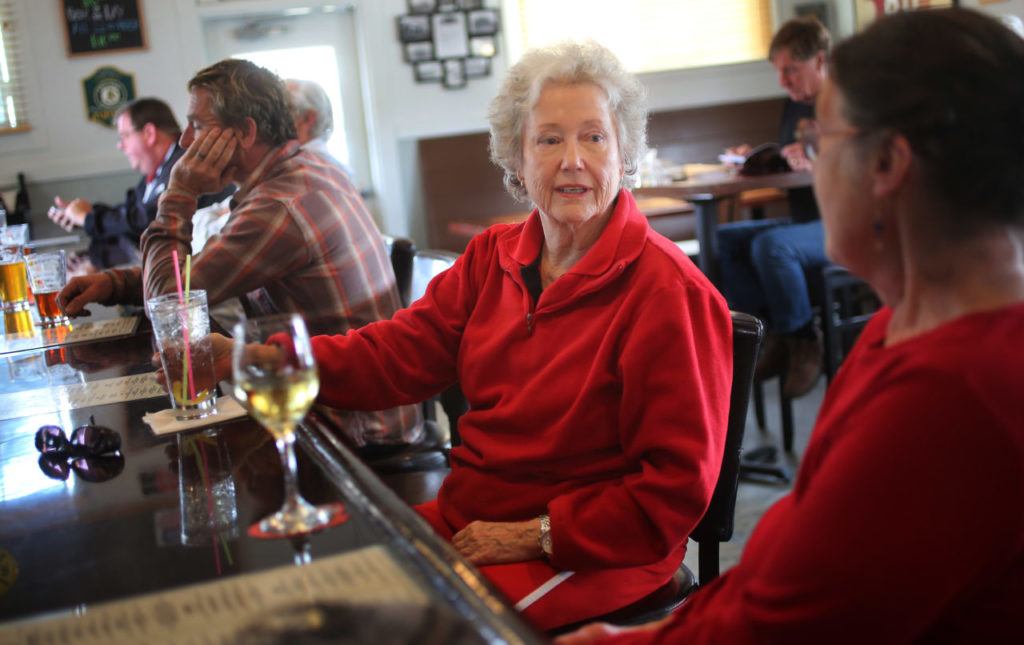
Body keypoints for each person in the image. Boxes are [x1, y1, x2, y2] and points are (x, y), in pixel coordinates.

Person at [202, 40, 732, 630]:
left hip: (597, 550)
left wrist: (535, 535)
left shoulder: (668, 293)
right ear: (517, 157)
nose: (572, 160)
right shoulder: (491, 257)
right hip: (472, 522)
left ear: (625, 152)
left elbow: (674, 491)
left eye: (594, 137)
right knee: (311, 589)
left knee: (419, 628)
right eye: (548, 139)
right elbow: (395, 358)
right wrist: (257, 361)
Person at [557, 8, 1024, 644]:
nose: (815, 160)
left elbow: (786, 629)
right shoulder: (899, 325)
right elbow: (790, 570)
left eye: (822, 140)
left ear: (886, 163)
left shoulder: (955, 394)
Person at [59, 59, 421, 449]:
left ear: (245, 132)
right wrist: (114, 283)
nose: (184, 142)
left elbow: (168, 301)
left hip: (349, 432)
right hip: (341, 406)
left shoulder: (278, 206)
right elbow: (197, 273)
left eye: (197, 125)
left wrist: (178, 192)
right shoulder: (306, 168)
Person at [718, 16, 831, 398]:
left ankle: (802, 339)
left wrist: (820, 160)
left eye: (791, 71)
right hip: (804, 220)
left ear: (819, 60)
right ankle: (770, 333)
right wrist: (758, 158)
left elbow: (865, 168)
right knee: (726, 240)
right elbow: (793, 156)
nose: (783, 81)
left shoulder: (848, 101)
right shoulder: (794, 106)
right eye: (779, 72)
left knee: (772, 246)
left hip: (842, 221)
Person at [46, 98, 233, 273]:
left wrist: (89, 219)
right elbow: (131, 216)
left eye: (125, 136)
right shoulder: (157, 168)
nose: (120, 146)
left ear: (149, 134)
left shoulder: (184, 162)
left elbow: (149, 220)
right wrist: (88, 229)